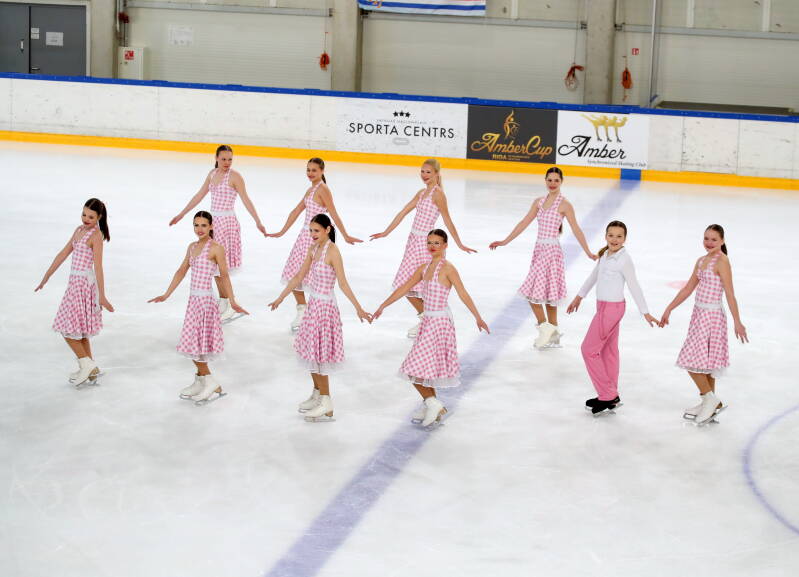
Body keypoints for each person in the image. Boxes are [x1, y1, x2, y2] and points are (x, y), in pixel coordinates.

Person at [373, 229, 489, 428]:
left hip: (440, 323)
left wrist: (478, 317)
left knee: (414, 368)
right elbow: (404, 288)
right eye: (429, 243)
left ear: (445, 245)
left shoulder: (448, 268)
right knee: (424, 370)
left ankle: (432, 403)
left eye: (436, 243)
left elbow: (463, 293)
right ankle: (432, 405)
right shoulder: (424, 267)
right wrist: (383, 305)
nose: (432, 246)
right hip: (428, 321)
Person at [268, 214, 371, 421]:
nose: (312, 234)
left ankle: (326, 400)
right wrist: (280, 297)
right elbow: (298, 276)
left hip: (325, 309)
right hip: (313, 306)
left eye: (316, 230)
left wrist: (359, 308)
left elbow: (343, 283)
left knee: (320, 356)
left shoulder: (333, 252)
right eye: (310, 231)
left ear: (328, 229)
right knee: (310, 353)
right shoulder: (313, 249)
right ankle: (317, 394)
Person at [490, 167, 596, 349]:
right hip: (539, 250)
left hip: (552, 252)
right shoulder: (539, 202)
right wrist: (505, 241)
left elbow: (576, 229)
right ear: (545, 180)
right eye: (549, 180)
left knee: (542, 295)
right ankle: (552, 336)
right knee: (543, 295)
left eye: (556, 180)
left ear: (561, 182)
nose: (552, 183)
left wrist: (587, 251)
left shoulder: (565, 204)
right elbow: (524, 222)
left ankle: (547, 331)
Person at [149, 211, 248, 404]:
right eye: (196, 225)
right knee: (192, 343)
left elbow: (224, 276)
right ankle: (202, 380)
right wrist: (166, 294)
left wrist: (233, 301)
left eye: (203, 225)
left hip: (205, 302)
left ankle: (208, 380)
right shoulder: (192, 247)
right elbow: (181, 271)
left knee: (198, 343)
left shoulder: (216, 248)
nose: (199, 229)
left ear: (211, 226)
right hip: (193, 301)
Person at [370, 158, 476, 338]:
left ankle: (432, 321)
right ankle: (425, 319)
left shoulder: (438, 194)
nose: (424, 175)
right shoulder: (421, 193)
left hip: (427, 245)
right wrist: (386, 232)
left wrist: (459, 243)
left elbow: (447, 220)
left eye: (428, 172)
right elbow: (403, 211)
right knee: (406, 285)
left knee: (426, 287)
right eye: (422, 172)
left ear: (436, 174)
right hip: (413, 243)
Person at [659, 224, 748, 425]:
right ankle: (710, 402)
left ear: (722, 241)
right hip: (698, 314)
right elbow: (688, 288)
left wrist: (737, 321)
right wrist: (669, 308)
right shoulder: (701, 261)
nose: (709, 243)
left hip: (713, 316)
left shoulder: (722, 261)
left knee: (691, 359)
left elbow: (730, 293)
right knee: (705, 363)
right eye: (706, 238)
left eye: (714, 239)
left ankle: (709, 398)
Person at [567, 221, 658, 415]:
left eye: (619, 236)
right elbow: (593, 277)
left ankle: (607, 394)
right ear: (606, 236)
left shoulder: (624, 260)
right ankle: (611, 394)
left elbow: (634, 285)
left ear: (625, 239)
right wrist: (578, 297)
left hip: (612, 309)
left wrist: (645, 312)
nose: (614, 239)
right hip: (603, 307)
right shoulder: (605, 255)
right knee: (608, 351)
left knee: (588, 350)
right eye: (611, 235)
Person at [169, 145, 265, 321]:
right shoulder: (212, 175)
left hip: (227, 225)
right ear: (216, 158)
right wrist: (182, 214)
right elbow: (199, 194)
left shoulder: (235, 177)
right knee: (213, 267)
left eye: (230, 159)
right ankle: (223, 302)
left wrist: (257, 221)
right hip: (213, 224)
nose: (227, 163)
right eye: (223, 159)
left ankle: (228, 304)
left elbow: (246, 199)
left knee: (222, 269)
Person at [268, 158, 362, 331]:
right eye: (308, 170)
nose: (310, 173)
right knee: (294, 274)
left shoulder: (323, 190)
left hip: (316, 237)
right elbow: (296, 211)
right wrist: (282, 231)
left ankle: (313, 313)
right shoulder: (311, 189)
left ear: (322, 171)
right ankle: (302, 309)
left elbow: (333, 213)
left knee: (311, 276)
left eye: (314, 170)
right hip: (305, 236)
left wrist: (345, 235)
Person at [36, 198, 114, 386]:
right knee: (81, 332)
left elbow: (98, 267)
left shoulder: (96, 236)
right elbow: (63, 253)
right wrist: (47, 275)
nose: (86, 219)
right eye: (84, 214)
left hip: (84, 287)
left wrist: (101, 295)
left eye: (91, 216)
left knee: (67, 330)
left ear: (99, 217)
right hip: (73, 284)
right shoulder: (79, 231)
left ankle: (85, 364)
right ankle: (91, 369)